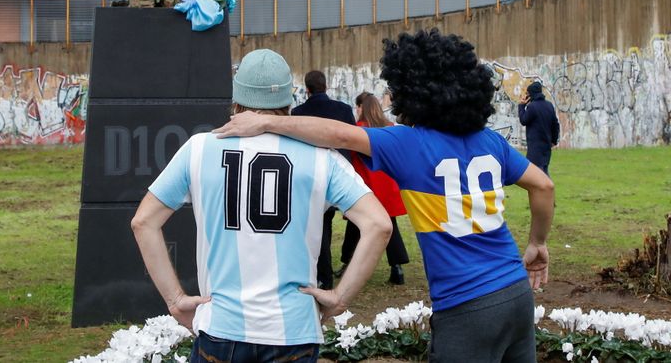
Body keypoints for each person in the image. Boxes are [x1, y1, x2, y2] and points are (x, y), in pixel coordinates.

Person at [215, 29, 555, 362]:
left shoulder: (408, 143)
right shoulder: (491, 141)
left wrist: (266, 123)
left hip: (465, 307)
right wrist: (537, 243)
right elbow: (543, 186)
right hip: (516, 294)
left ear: (414, 91)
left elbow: (337, 134)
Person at [131, 49, 391, 362]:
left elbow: (143, 221)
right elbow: (379, 225)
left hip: (222, 326)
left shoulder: (199, 149)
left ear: (236, 97)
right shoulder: (323, 158)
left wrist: (175, 300)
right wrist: (339, 298)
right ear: (289, 98)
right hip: (293, 330)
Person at [336, 92, 409, 286]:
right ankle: (397, 268)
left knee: (355, 225)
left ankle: (347, 263)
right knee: (390, 226)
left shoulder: (358, 130)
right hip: (387, 185)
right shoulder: (390, 128)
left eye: (357, 106)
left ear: (361, 108)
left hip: (366, 186)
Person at [292, 70, 356, 290]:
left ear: (307, 89)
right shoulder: (344, 110)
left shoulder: (298, 113)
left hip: (310, 175)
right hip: (341, 175)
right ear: (325, 86)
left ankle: (323, 277)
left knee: (320, 226)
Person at [519, 81, 561, 176]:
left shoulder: (532, 107)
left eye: (527, 94)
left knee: (537, 175)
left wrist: (521, 106)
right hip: (546, 146)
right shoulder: (549, 105)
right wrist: (554, 140)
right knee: (543, 169)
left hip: (535, 148)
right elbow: (555, 124)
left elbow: (523, 120)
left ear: (531, 94)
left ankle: (546, 189)